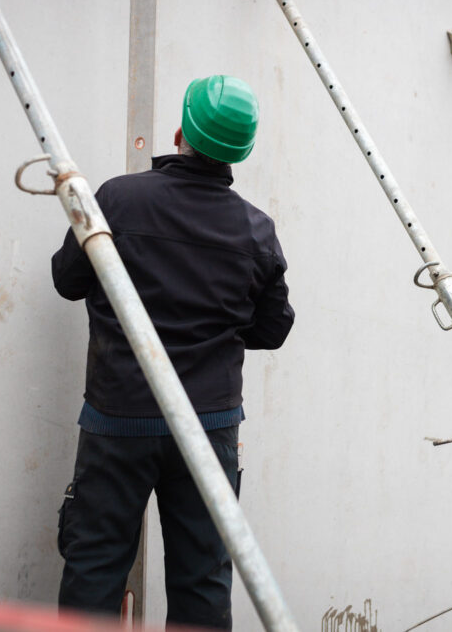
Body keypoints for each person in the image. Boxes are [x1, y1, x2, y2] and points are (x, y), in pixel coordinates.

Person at [51, 75, 294, 630]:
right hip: (208, 429)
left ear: (181, 132)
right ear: (242, 152)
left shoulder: (116, 198)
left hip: (119, 420)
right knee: (202, 578)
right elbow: (273, 328)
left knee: (94, 566)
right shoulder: (256, 230)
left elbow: (67, 280)